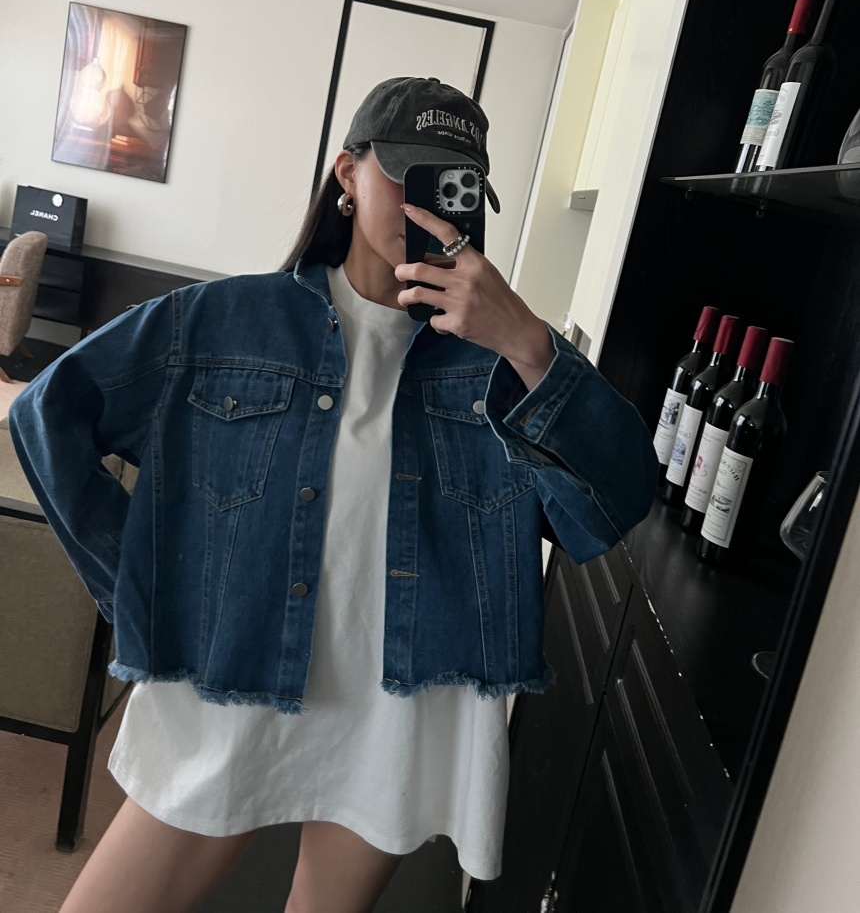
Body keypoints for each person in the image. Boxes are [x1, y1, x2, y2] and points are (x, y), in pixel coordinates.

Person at [8, 76, 658, 913]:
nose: (432, 204)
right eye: (411, 174)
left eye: (455, 185)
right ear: (349, 174)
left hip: (403, 709)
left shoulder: (501, 364)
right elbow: (45, 414)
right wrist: (147, 586)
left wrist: (530, 345)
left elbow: (614, 503)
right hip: (237, 673)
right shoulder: (221, 322)